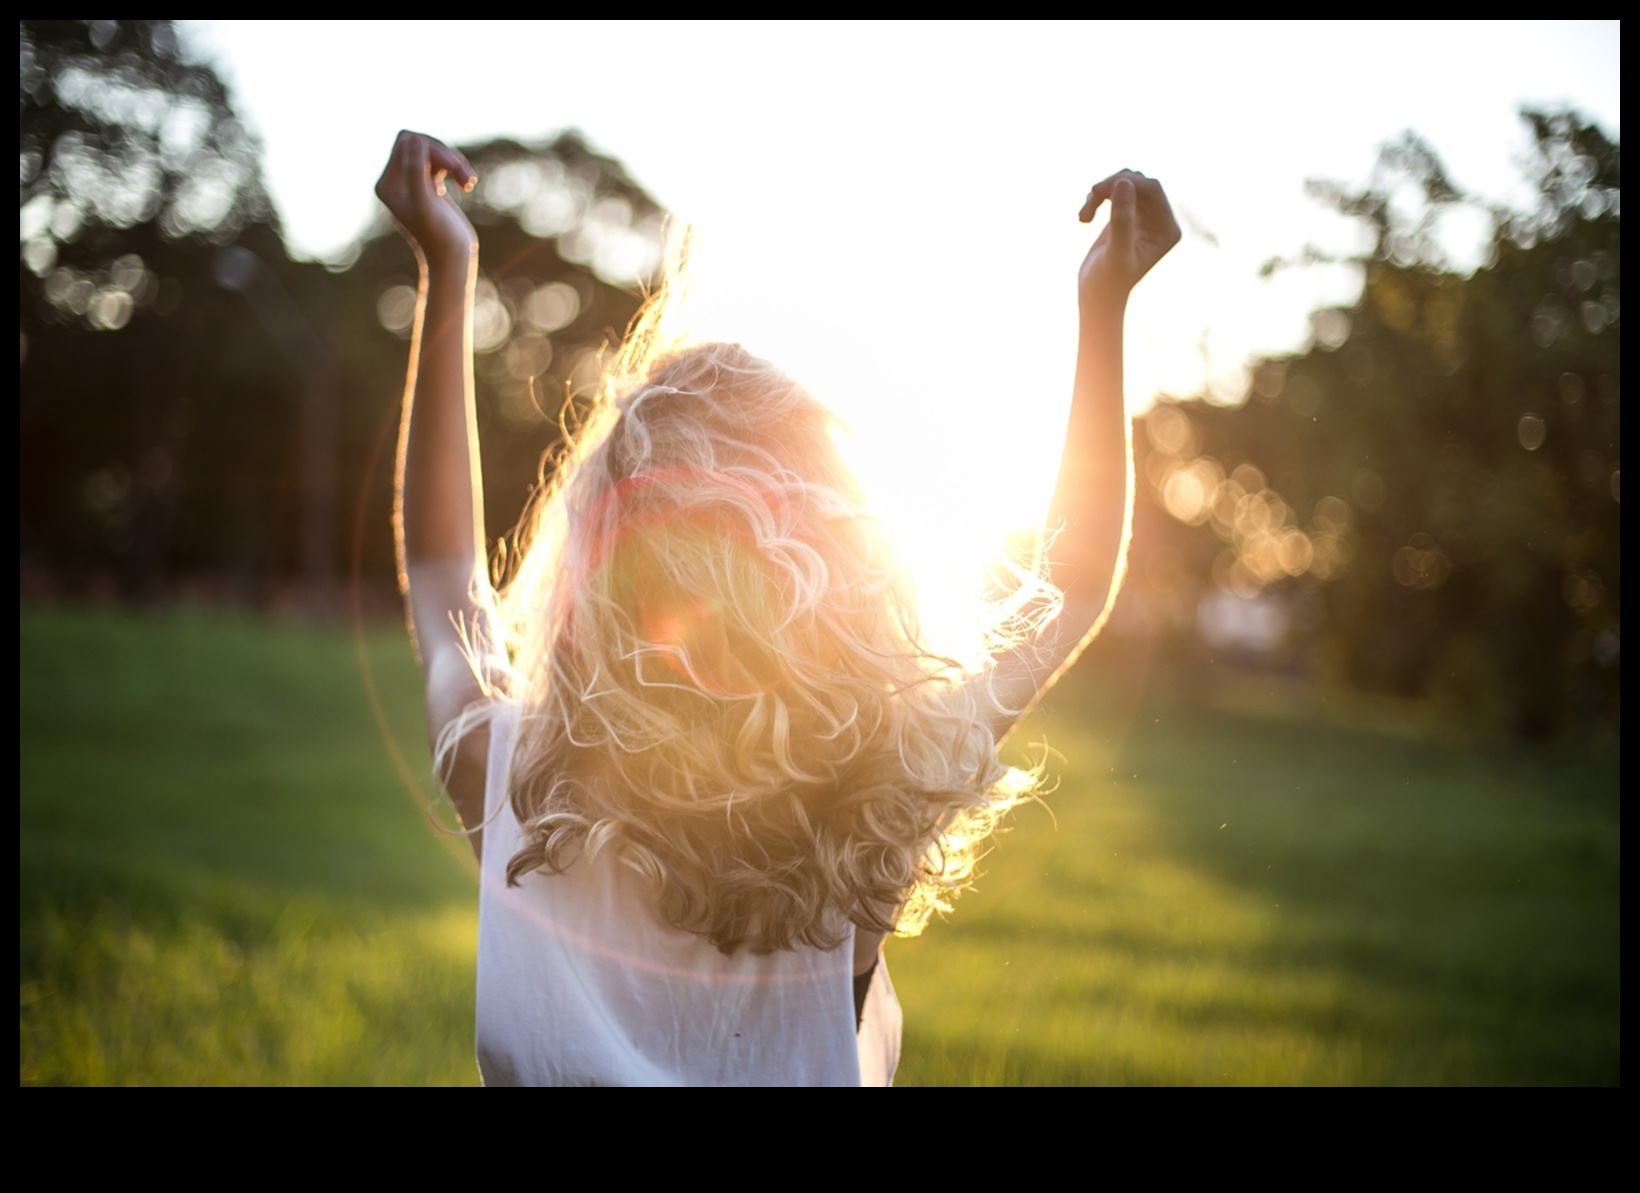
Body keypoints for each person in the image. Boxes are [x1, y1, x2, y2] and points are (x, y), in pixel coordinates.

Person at [374, 130, 1179, 1086]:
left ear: (597, 570)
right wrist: (1105, 306)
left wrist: (448, 266)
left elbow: (444, 573)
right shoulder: (875, 798)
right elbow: (1070, 579)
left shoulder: (510, 777)